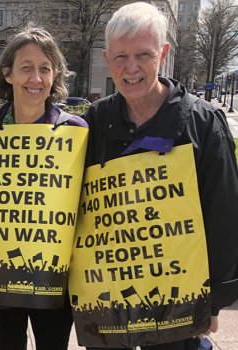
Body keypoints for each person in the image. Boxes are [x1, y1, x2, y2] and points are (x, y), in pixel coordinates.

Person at [82, 2, 238, 349]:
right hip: (110, 294)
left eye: (143, 54)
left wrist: (213, 301)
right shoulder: (95, 120)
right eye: (121, 57)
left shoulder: (203, 122)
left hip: (179, 297)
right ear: (107, 59)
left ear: (163, 53)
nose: (131, 67)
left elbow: (224, 215)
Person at [0, 26, 88, 350]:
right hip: (0, 276)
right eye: (26, 68)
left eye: (45, 68)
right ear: (8, 73)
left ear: (55, 74)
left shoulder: (75, 132)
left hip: (56, 280)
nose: (36, 78)